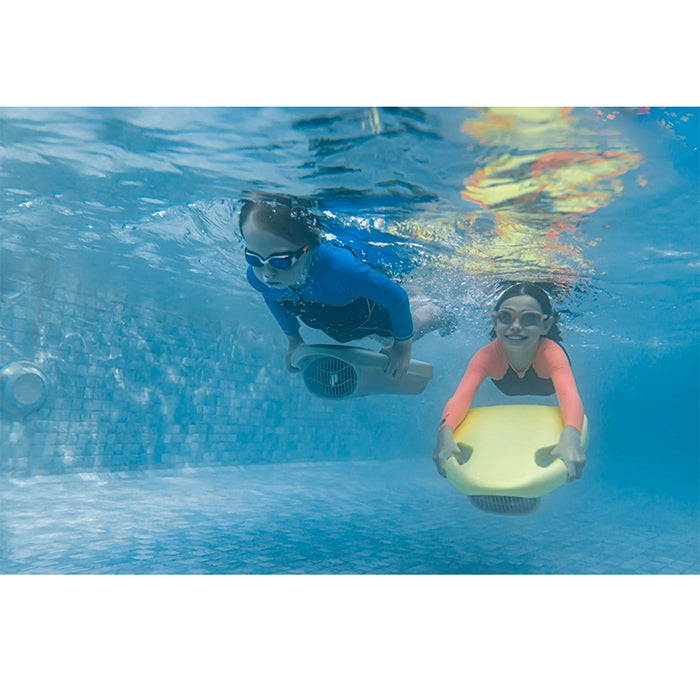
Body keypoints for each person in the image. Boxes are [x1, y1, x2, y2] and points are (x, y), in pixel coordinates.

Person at [239, 197, 443, 378]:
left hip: (366, 310)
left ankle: (438, 313)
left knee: (392, 335)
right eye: (253, 258)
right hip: (341, 320)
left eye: (281, 261)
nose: (267, 273)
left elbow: (397, 298)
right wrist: (294, 340)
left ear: (309, 246)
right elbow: (271, 298)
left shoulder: (342, 270)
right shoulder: (257, 277)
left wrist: (402, 347)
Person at [433, 282, 587, 481]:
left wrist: (572, 435)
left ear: (545, 325)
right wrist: (444, 435)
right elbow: (460, 398)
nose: (515, 327)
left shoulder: (552, 354)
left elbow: (569, 395)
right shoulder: (487, 356)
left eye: (529, 318)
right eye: (505, 317)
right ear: (495, 322)